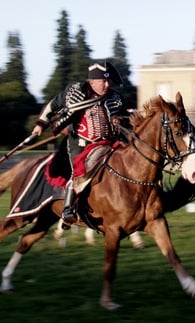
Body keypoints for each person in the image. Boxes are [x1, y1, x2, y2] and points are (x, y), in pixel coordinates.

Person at [32, 61, 130, 228]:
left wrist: (123, 118)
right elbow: (53, 105)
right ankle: (68, 209)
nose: (107, 85)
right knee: (79, 172)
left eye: (108, 81)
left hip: (108, 143)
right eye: (103, 81)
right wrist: (40, 124)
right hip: (81, 143)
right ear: (92, 82)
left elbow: (125, 117)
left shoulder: (115, 98)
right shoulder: (75, 92)